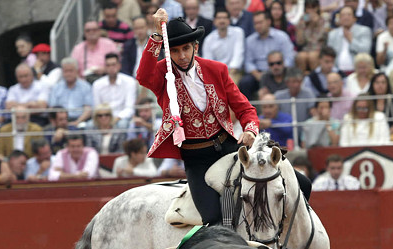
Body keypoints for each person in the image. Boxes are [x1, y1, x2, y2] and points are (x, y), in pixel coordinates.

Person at [138, 11, 310, 225]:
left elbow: (245, 108)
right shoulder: (164, 75)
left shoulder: (216, 70)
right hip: (195, 158)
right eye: (174, 50)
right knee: (212, 217)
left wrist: (250, 130)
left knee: (301, 183)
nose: (181, 55)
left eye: (186, 48)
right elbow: (143, 76)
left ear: (195, 47)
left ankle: (293, 234)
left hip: (228, 147)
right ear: (168, 53)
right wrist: (156, 35)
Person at [240, 11, 296, 99]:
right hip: (258, 73)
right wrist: (257, 75)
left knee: (291, 77)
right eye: (255, 23)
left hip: (280, 70)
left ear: (268, 22)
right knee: (245, 82)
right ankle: (248, 110)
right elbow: (248, 62)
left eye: (260, 22)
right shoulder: (250, 40)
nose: (258, 26)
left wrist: (278, 68)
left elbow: (289, 58)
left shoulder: (282, 36)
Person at [92, 53, 138, 128]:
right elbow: (97, 107)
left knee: (122, 125)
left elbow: (130, 108)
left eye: (113, 65)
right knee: (89, 126)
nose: (111, 68)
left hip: (122, 118)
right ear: (105, 67)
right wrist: (105, 119)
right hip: (102, 117)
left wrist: (117, 118)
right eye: (108, 65)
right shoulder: (97, 84)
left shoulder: (129, 82)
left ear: (119, 66)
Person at [47, 58, 93, 126]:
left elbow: (88, 109)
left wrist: (77, 122)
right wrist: (60, 122)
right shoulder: (56, 87)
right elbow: (52, 108)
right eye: (66, 71)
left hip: (80, 121)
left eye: (71, 71)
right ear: (62, 72)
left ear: (77, 71)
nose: (68, 74)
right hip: (60, 121)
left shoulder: (85, 87)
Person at [327, 6, 372, 74]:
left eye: (349, 15)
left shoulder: (364, 31)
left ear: (354, 18)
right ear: (339, 19)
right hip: (337, 72)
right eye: (343, 15)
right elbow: (329, 54)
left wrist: (351, 40)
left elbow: (365, 51)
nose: (346, 17)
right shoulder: (332, 34)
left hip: (358, 72)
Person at [368, 72, 393, 140]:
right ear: (372, 85)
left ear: (387, 85)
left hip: (391, 134)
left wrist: (389, 131)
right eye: (377, 82)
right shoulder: (367, 102)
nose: (380, 85)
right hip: (371, 133)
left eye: (383, 82)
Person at [295, 0, 330, 73]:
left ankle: (316, 80)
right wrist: (305, 25)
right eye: (308, 8)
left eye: (313, 7)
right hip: (306, 48)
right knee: (300, 56)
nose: (311, 10)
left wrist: (315, 24)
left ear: (317, 8)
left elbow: (320, 38)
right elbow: (300, 41)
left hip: (320, 47)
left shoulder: (323, 18)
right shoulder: (303, 19)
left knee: (312, 56)